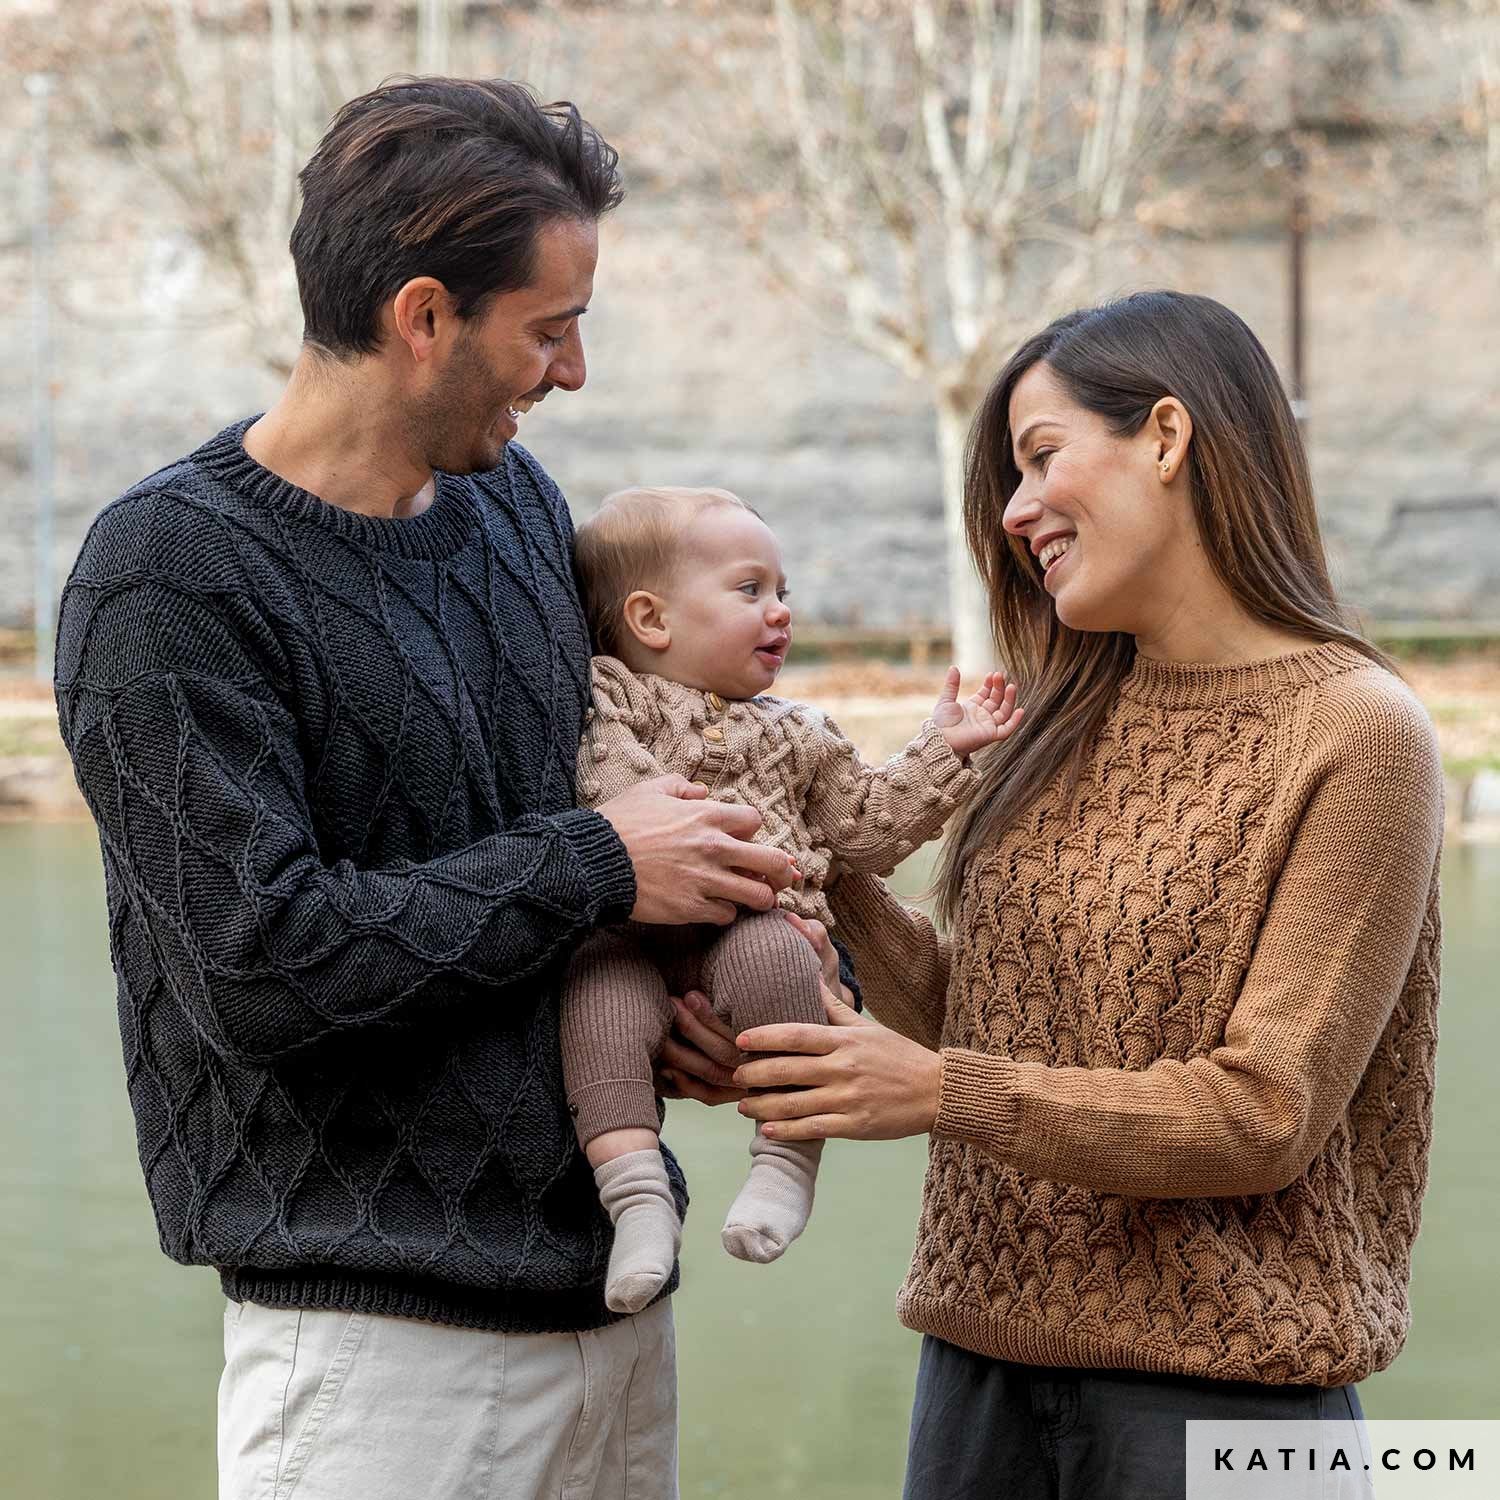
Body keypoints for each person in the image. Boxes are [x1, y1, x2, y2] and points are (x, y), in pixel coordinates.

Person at [53, 77, 807, 1500]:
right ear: (421, 317)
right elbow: (260, 967)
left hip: (616, 1313)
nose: (572, 372)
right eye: (549, 328)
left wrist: (697, 1002)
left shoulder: (516, 509)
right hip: (379, 1367)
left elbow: (601, 828)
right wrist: (599, 866)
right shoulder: (164, 577)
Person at [718, 292, 1444, 1499]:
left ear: (1166, 436)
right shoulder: (1056, 721)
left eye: (1042, 456)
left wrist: (941, 1093)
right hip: (978, 1371)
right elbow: (982, 1017)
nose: (1015, 511)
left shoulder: (1358, 734)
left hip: (1232, 1403)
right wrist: (803, 851)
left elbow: (1266, 1112)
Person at [559, 484, 1022, 1314]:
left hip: (753, 926)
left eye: (783, 591)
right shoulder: (609, 697)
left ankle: (785, 1156)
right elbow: (610, 779)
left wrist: (943, 753)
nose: (781, 611)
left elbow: (866, 828)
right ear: (650, 619)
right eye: (751, 590)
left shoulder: (798, 732)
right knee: (597, 1002)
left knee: (779, 957)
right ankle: (636, 1199)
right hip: (631, 933)